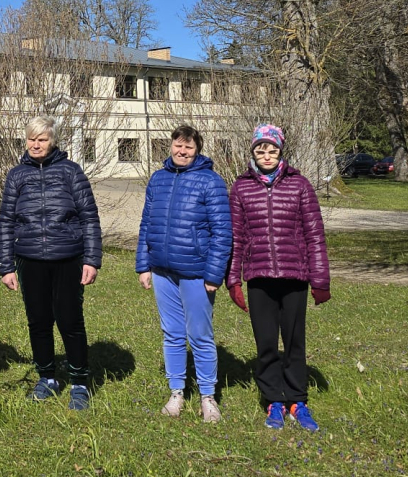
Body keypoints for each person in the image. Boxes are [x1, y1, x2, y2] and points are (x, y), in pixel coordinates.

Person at [225, 123, 332, 431]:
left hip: (294, 276)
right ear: (253, 152)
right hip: (259, 277)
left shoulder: (299, 184)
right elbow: (237, 237)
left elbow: (315, 234)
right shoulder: (241, 187)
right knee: (267, 343)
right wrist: (233, 279)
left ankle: (298, 401)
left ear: (281, 151)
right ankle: (274, 400)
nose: (267, 155)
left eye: (272, 150)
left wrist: (320, 280)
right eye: (261, 149)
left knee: (295, 342)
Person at [0, 115, 103, 411]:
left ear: (53, 141)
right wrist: (6, 266)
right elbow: (6, 222)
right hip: (30, 259)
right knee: (39, 321)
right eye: (31, 139)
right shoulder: (16, 176)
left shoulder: (71, 172)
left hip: (68, 257)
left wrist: (92, 259)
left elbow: (89, 217)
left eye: (42, 139)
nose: (36, 144)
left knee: (70, 320)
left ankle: (80, 382)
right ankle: (47, 377)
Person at [135, 124, 232, 422]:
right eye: (178, 145)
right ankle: (176, 392)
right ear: (171, 146)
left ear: (197, 149)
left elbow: (222, 232)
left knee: (200, 335)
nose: (182, 151)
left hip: (196, 274)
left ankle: (207, 396)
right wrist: (143, 264)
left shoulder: (210, 182)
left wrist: (214, 275)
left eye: (189, 146)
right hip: (163, 271)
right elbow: (146, 224)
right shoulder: (158, 179)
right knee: (172, 334)